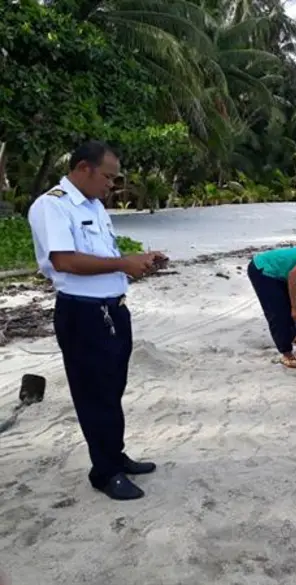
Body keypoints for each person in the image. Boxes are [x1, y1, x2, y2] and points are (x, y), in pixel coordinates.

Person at [27, 140, 168, 501]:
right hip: (84, 314)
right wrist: (123, 264)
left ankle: (114, 457)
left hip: (113, 309)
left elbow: (104, 257)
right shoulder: (53, 206)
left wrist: (138, 263)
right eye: (107, 176)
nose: (111, 185)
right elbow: (65, 261)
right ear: (82, 168)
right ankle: (104, 473)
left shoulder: (94, 206)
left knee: (112, 390)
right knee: (95, 395)